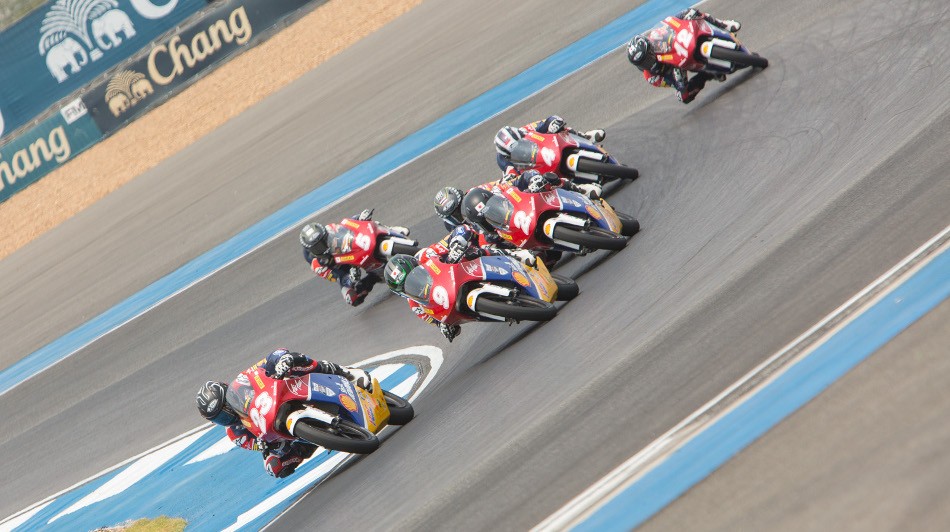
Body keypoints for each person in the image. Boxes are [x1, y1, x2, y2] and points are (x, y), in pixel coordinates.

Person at [195, 349, 373, 478]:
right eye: (221, 417)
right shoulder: (237, 435)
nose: (228, 415)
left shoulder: (243, 380)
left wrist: (280, 361)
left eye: (225, 407)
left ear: (227, 392)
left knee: (296, 361)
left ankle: (347, 372)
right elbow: (263, 448)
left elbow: (267, 361)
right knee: (275, 468)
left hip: (282, 395)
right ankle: (321, 437)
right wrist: (269, 453)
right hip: (283, 433)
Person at [626, 8, 741, 104]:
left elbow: (671, 23)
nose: (649, 61)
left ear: (650, 45)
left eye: (648, 55)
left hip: (680, 47)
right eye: (644, 62)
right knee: (684, 98)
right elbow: (672, 83)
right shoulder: (651, 77)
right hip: (677, 69)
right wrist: (679, 83)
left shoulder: (655, 36)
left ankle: (723, 24)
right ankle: (708, 74)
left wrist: (684, 15)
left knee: (692, 12)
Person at [299, 209, 410, 306]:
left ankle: (389, 230)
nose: (323, 245)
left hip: (348, 250)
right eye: (318, 247)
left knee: (368, 224)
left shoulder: (329, 230)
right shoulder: (318, 265)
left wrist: (359, 217)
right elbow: (339, 277)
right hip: (343, 266)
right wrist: (350, 279)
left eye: (323, 240)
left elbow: (347, 225)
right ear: (312, 251)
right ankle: (375, 277)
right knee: (352, 299)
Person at [494, 115, 607, 176]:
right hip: (535, 168)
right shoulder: (503, 160)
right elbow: (511, 176)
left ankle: (584, 137)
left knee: (560, 130)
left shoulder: (526, 130)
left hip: (545, 150)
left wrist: (553, 122)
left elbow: (549, 120)